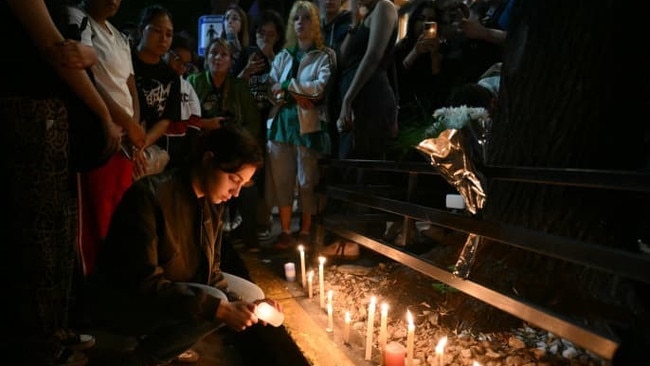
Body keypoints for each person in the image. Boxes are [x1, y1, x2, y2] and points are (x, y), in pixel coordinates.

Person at [83, 124, 281, 365]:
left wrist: (249, 307)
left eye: (243, 184)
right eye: (233, 179)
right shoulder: (149, 196)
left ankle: (175, 341)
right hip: (127, 299)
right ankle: (144, 357)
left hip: (178, 284)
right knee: (216, 301)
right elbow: (143, 281)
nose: (236, 192)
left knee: (252, 295)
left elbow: (212, 270)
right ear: (209, 160)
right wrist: (218, 308)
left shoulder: (212, 201)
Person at [0, 0, 121, 364]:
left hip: (50, 113)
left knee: (60, 227)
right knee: (39, 232)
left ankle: (57, 327)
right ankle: (40, 343)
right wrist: (102, 113)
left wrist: (85, 53)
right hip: (29, 114)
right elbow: (56, 51)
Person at [69, 0, 147, 276]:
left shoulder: (119, 37)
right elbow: (90, 80)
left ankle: (117, 280)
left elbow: (129, 86)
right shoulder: (78, 19)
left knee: (119, 213)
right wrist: (122, 123)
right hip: (102, 133)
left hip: (125, 137)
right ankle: (96, 285)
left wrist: (134, 126)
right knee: (97, 218)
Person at [266, 0, 335, 249]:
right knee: (282, 180)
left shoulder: (323, 55)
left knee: (306, 181)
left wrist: (287, 88)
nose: (300, 23)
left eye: (306, 18)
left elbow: (319, 89)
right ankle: (285, 231)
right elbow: (271, 88)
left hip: (308, 127)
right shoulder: (284, 56)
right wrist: (291, 93)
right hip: (281, 126)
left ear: (314, 23)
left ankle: (305, 230)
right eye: (296, 18)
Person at [187, 37, 262, 252]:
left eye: (223, 54)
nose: (218, 58)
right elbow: (186, 119)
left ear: (231, 60)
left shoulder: (239, 87)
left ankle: (248, 238)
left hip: (235, 151)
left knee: (246, 187)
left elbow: (253, 122)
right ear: (206, 57)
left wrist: (240, 142)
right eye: (213, 53)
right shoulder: (194, 82)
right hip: (203, 150)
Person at [238, 9, 286, 241]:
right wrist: (246, 70)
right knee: (246, 173)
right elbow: (233, 85)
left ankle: (263, 222)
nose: (266, 38)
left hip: (270, 124)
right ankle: (243, 224)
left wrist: (270, 58)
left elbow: (282, 88)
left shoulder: (281, 58)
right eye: (262, 33)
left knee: (267, 176)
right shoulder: (247, 54)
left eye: (271, 34)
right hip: (247, 124)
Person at [336, 0, 398, 160]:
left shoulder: (384, 6)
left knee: (366, 165)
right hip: (356, 95)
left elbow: (373, 56)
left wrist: (348, 99)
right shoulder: (365, 16)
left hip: (371, 95)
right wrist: (354, 24)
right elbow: (342, 60)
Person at [132, 4, 182, 177]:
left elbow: (166, 120)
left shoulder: (171, 77)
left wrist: (142, 144)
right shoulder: (125, 62)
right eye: (156, 31)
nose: (163, 39)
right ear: (141, 30)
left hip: (149, 145)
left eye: (168, 34)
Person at [161, 32, 202, 170]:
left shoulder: (186, 86)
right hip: (156, 142)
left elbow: (195, 117)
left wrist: (191, 146)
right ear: (166, 52)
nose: (181, 68)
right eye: (177, 59)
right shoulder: (156, 82)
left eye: (186, 65)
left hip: (180, 143)